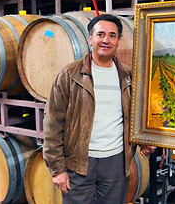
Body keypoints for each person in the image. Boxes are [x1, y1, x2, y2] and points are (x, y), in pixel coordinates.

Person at [43, 14, 155, 204]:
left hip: (115, 162)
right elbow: (52, 123)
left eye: (112, 35)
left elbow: (135, 116)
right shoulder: (69, 75)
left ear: (119, 40)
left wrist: (144, 140)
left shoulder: (128, 77)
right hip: (79, 162)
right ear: (90, 38)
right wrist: (57, 169)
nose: (106, 40)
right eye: (100, 34)